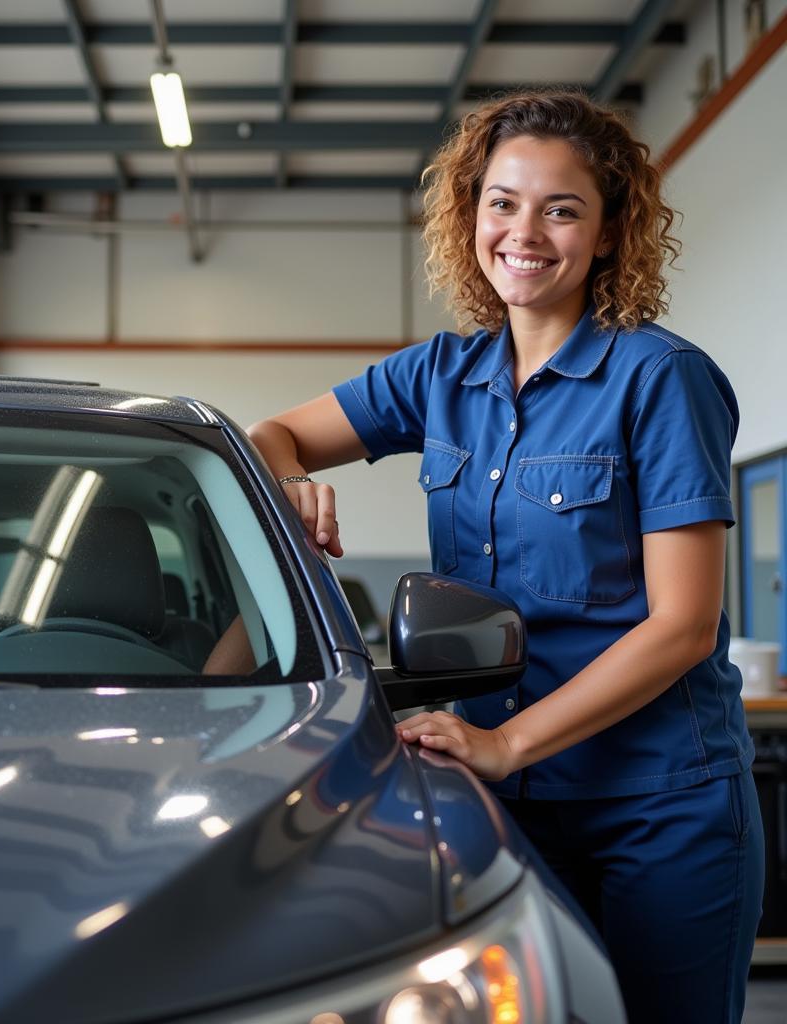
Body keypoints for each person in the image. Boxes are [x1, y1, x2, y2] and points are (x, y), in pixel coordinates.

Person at [247, 91, 763, 1024]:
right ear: (471, 214)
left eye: (562, 208)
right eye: (502, 202)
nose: (525, 231)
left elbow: (684, 626)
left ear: (608, 233)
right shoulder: (440, 375)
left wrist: (505, 742)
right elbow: (272, 433)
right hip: (506, 805)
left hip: (657, 808)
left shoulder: (658, 377)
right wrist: (292, 485)